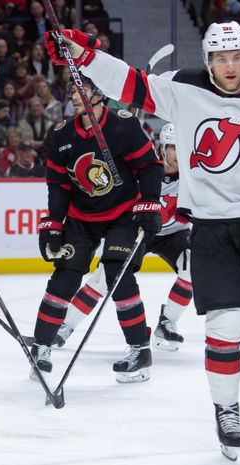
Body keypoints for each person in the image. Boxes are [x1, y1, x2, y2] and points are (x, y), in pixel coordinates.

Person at [44, 21, 240, 460]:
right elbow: (128, 83)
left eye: (237, 57)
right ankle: (227, 411)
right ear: (208, 61)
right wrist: (84, 55)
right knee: (224, 329)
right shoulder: (183, 88)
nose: (230, 66)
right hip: (213, 230)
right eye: (220, 58)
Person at [31, 78, 163, 384]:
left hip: (122, 214)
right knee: (65, 276)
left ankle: (139, 350)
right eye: (72, 92)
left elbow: (150, 166)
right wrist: (53, 223)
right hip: (81, 217)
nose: (75, 97)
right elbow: (59, 186)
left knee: (119, 273)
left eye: (82, 90)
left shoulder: (123, 126)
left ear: (100, 93)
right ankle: (41, 346)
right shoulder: (62, 134)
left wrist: (150, 203)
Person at [53, 123, 192, 352]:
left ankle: (167, 322)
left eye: (184, 147)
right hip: (140, 230)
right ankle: (64, 327)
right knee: (105, 278)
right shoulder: (146, 171)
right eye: (175, 147)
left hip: (173, 233)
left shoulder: (193, 176)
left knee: (193, 267)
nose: (180, 154)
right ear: (161, 147)